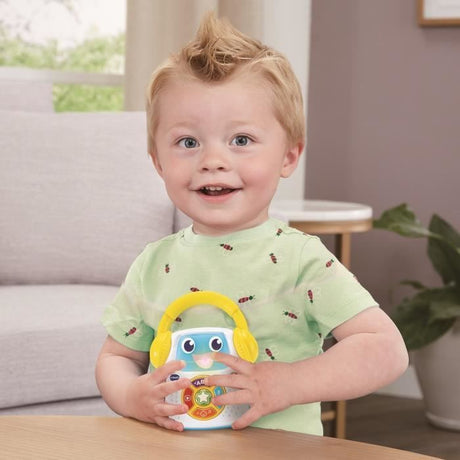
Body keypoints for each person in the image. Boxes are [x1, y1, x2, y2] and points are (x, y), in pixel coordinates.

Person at [95, 12, 408, 435]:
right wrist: (131, 396)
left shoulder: (300, 259)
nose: (213, 161)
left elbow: (386, 350)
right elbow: (116, 358)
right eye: (188, 142)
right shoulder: (152, 264)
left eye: (241, 140)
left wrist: (288, 383)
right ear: (158, 162)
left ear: (288, 157)